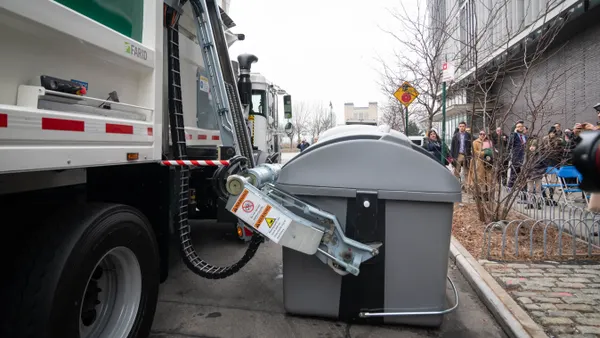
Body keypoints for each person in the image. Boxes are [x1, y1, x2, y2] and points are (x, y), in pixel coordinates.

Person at [468, 130, 494, 201]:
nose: (482, 135)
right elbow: (474, 151)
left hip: (488, 162)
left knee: (487, 179)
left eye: (484, 134)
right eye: (481, 134)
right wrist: (484, 152)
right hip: (478, 162)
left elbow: (492, 150)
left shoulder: (489, 142)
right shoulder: (475, 142)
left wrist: (490, 153)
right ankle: (477, 195)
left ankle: (486, 195)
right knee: (478, 178)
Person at [525, 137, 546, 209]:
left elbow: (544, 166)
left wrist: (540, 172)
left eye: (533, 146)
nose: (532, 148)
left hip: (537, 174)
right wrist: (526, 172)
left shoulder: (540, 155)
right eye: (530, 146)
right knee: (529, 189)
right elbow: (524, 165)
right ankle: (529, 203)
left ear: (536, 147)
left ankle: (538, 203)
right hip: (529, 174)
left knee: (538, 190)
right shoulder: (527, 155)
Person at [450, 121, 472, 185]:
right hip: (458, 155)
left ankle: (466, 185)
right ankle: (455, 185)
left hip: (466, 155)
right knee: (457, 171)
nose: (462, 128)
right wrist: (452, 157)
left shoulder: (469, 135)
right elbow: (452, 147)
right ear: (458, 127)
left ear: (465, 127)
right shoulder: (455, 136)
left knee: (466, 171)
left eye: (463, 126)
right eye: (460, 126)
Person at [508, 122, 527, 189]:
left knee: (522, 173)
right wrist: (514, 133)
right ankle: (510, 186)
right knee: (514, 171)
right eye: (518, 126)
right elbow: (510, 143)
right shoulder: (514, 135)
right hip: (516, 156)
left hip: (523, 156)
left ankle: (522, 187)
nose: (520, 128)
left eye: (521, 126)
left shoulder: (524, 136)